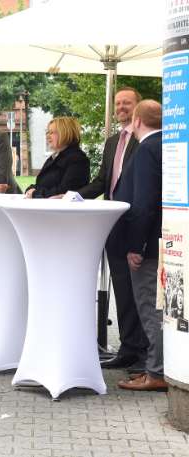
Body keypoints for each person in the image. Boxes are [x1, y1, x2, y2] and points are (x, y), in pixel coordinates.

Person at [78, 87, 149, 372]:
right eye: (118, 103)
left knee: (139, 293)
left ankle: (145, 354)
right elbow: (102, 182)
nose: (121, 107)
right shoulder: (111, 142)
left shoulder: (145, 141)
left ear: (138, 107)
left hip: (137, 226)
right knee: (121, 290)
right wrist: (73, 194)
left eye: (127, 103)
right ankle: (129, 348)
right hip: (114, 227)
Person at [107, 100, 164, 392]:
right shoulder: (167, 145)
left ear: (138, 121)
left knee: (150, 307)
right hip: (165, 240)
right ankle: (158, 367)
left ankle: (155, 372)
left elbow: (143, 204)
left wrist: (135, 246)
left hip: (148, 245)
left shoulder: (146, 151)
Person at [24, 117, 90, 198]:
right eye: (47, 132)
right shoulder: (54, 157)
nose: (47, 136)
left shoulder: (77, 160)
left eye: (52, 132)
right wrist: (31, 189)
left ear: (65, 133)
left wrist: (35, 193)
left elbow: (65, 191)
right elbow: (42, 184)